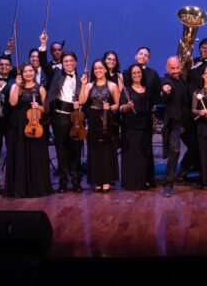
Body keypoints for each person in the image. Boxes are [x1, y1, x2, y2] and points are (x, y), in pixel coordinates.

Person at [4, 63, 53, 197]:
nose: (28, 73)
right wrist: (18, 86)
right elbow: (13, 103)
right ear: (21, 73)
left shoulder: (41, 89)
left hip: (34, 125)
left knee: (36, 155)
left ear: (35, 72)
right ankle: (20, 188)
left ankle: (37, 188)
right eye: (25, 71)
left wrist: (39, 107)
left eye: (30, 71)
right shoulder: (15, 86)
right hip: (18, 126)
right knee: (19, 155)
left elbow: (47, 109)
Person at [44, 51, 84, 193]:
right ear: (62, 63)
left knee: (76, 150)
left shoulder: (81, 78)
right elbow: (44, 64)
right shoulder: (56, 74)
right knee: (61, 150)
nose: (68, 63)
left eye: (71, 61)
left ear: (75, 62)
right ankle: (63, 182)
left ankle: (76, 181)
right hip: (59, 117)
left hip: (76, 118)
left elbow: (85, 98)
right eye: (65, 61)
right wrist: (43, 45)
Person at [79, 59, 121, 193]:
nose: (98, 70)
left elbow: (117, 104)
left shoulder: (112, 85)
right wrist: (83, 84)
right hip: (93, 118)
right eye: (95, 68)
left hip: (106, 118)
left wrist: (110, 107)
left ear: (105, 69)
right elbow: (81, 101)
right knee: (95, 149)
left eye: (100, 68)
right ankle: (97, 180)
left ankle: (107, 180)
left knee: (107, 149)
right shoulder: (89, 85)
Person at [160, 56, 197, 197]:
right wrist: (166, 90)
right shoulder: (166, 81)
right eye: (172, 68)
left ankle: (180, 173)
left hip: (187, 122)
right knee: (174, 151)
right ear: (167, 68)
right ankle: (168, 184)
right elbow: (164, 90)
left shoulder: (182, 79)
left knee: (195, 147)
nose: (176, 71)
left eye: (177, 67)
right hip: (175, 123)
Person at [119, 64, 155, 190]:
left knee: (144, 154)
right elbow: (121, 109)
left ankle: (144, 180)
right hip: (130, 126)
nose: (136, 75)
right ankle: (132, 182)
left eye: (138, 72)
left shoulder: (148, 88)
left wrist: (153, 121)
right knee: (132, 155)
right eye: (134, 73)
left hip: (145, 125)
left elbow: (152, 107)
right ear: (130, 75)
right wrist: (127, 107)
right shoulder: (126, 90)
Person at [0, 55, 14, 193]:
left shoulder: (13, 82)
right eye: (1, 64)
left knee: (12, 152)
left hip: (10, 122)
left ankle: (11, 185)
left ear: (11, 67)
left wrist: (4, 86)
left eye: (6, 65)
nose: (4, 67)